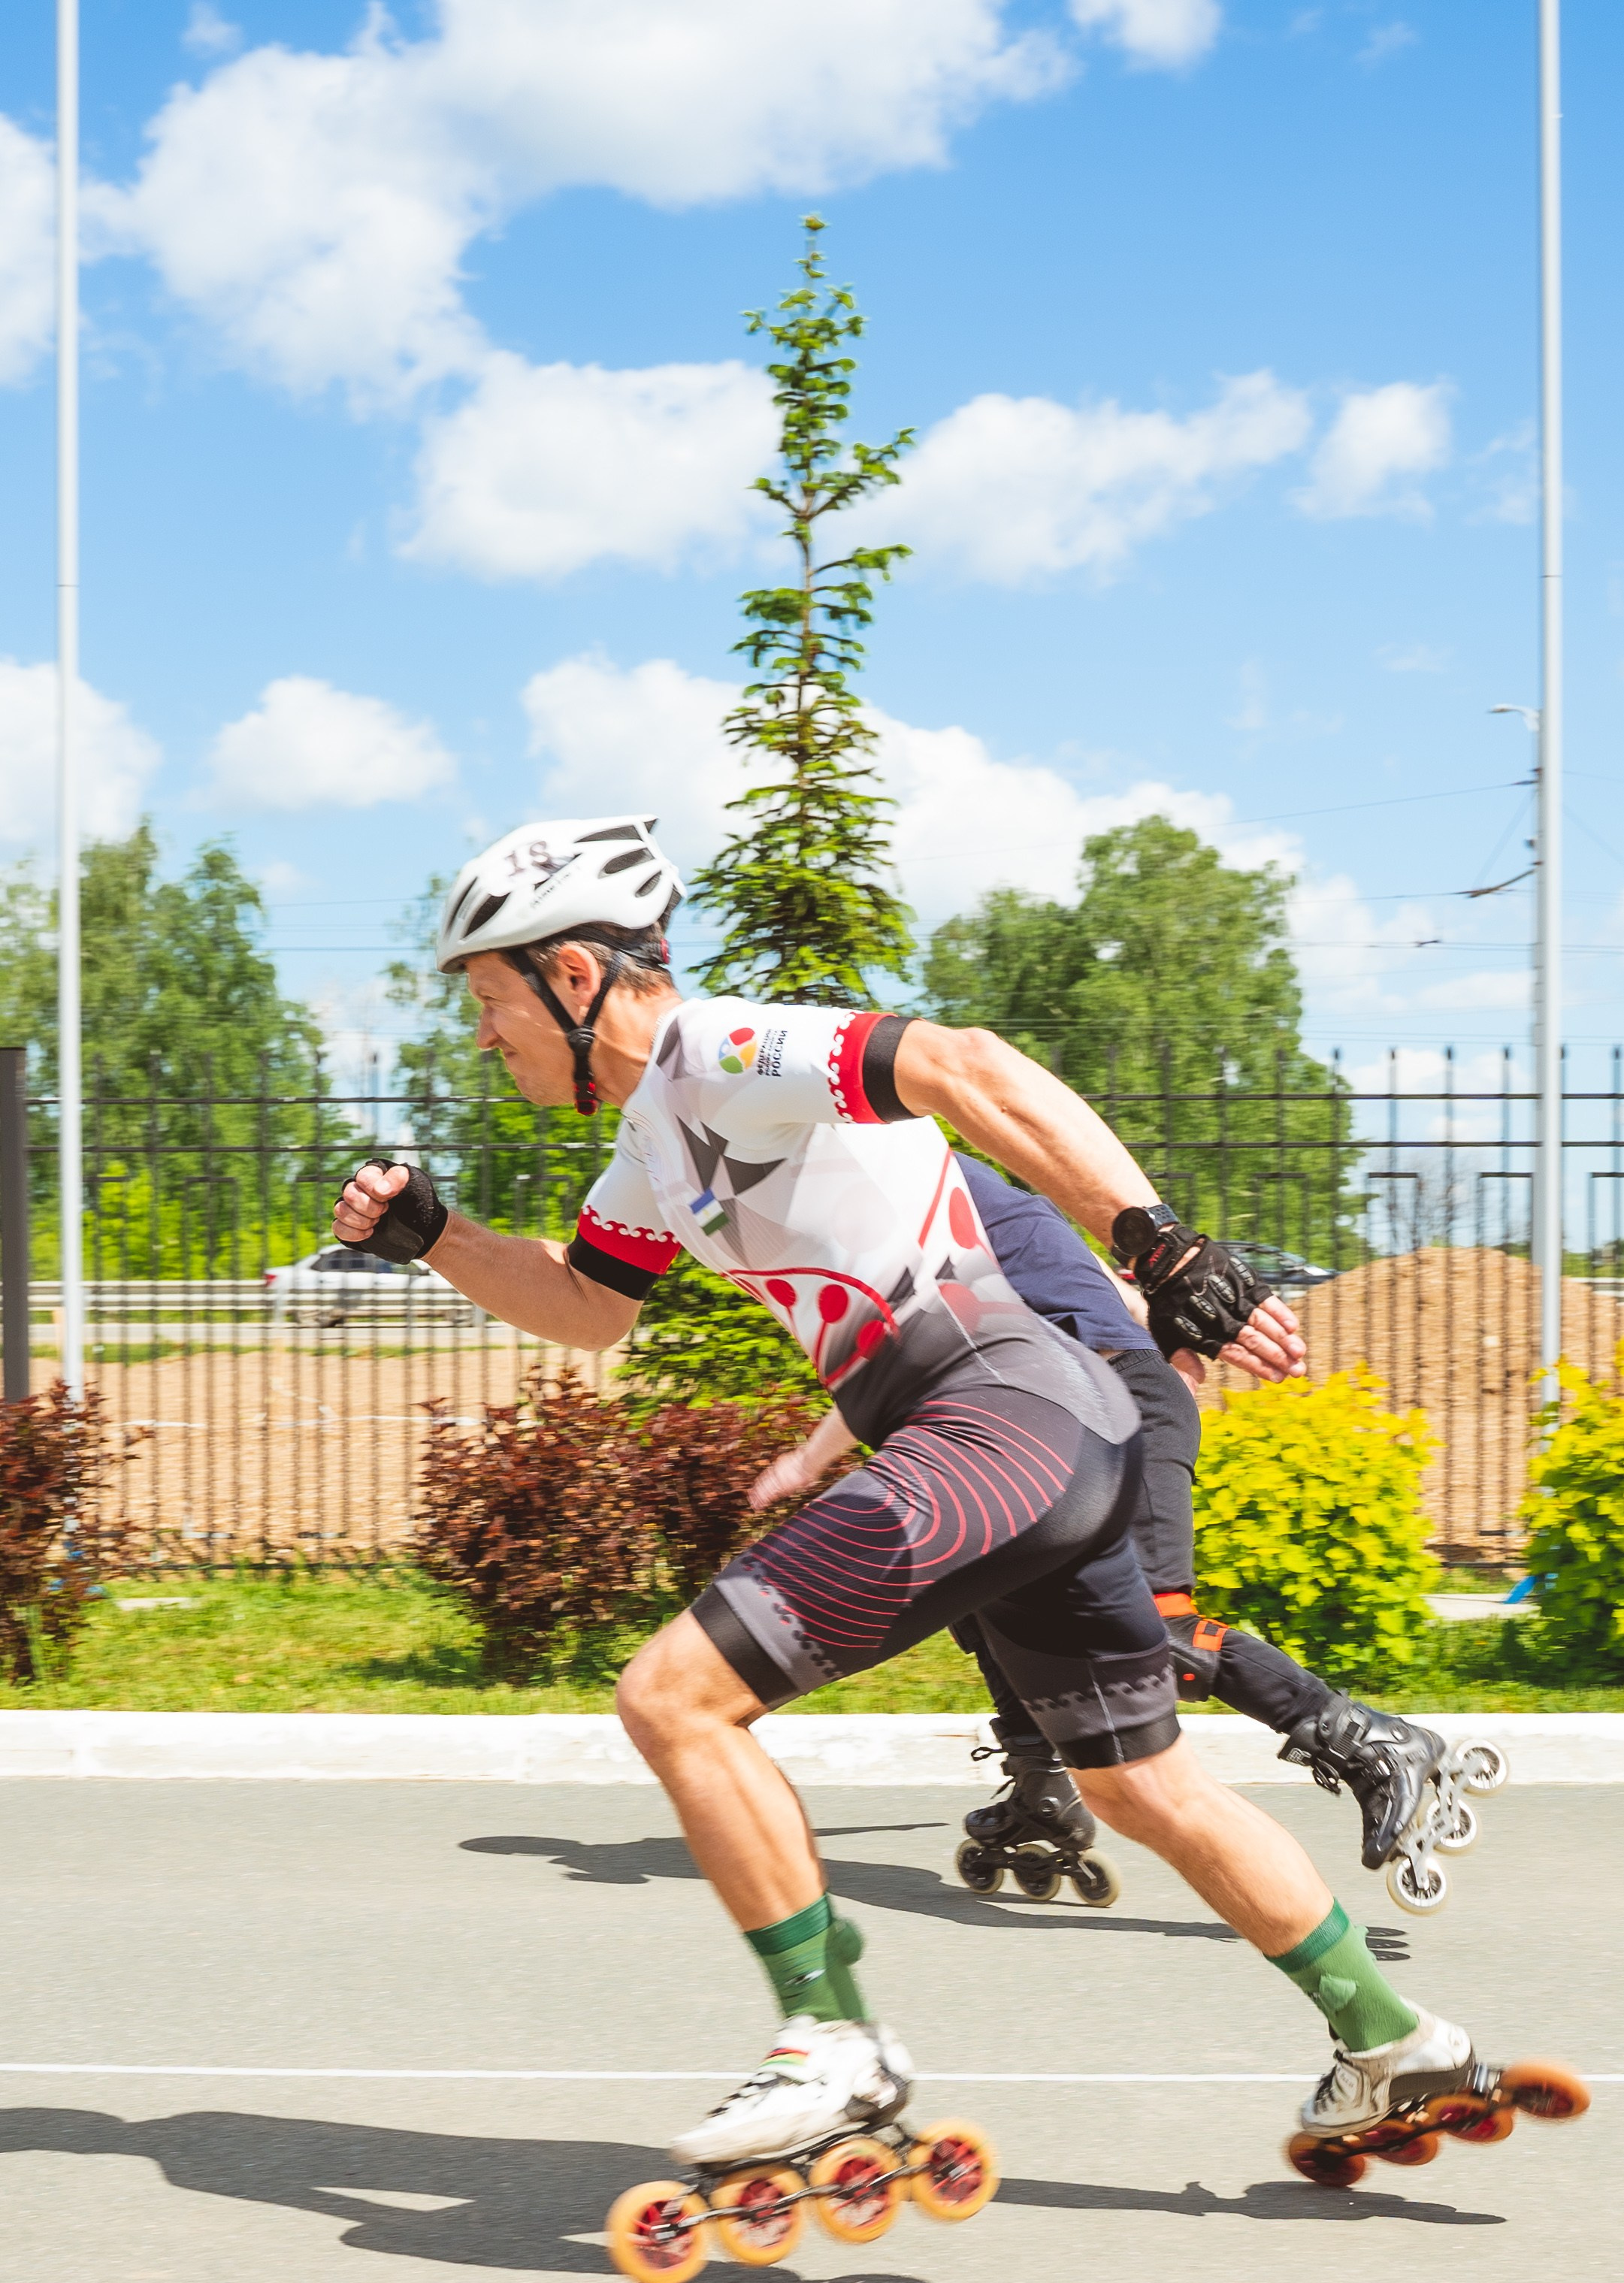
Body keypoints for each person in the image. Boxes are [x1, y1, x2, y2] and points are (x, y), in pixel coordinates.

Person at [332, 817, 1551, 2179]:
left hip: (996, 1413)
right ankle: (1388, 2037)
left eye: (492, 1001)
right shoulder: (649, 1148)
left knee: (672, 1697)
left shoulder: (719, 1048)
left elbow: (961, 1064)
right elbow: (583, 1308)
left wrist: (1151, 1238)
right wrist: (436, 1238)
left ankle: (829, 2041)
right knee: (1141, 1784)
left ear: (570, 975)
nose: (484, 1037)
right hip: (1042, 1438)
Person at [749, 1153, 1489, 1913]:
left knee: (1155, 1631)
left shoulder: (921, 1204)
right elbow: (1140, 1321)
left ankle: (1369, 1741)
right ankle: (1041, 1784)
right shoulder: (1004, 1213)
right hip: (1066, 1419)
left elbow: (902, 1346)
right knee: (981, 1592)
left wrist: (808, 1459)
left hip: (1110, 1409)